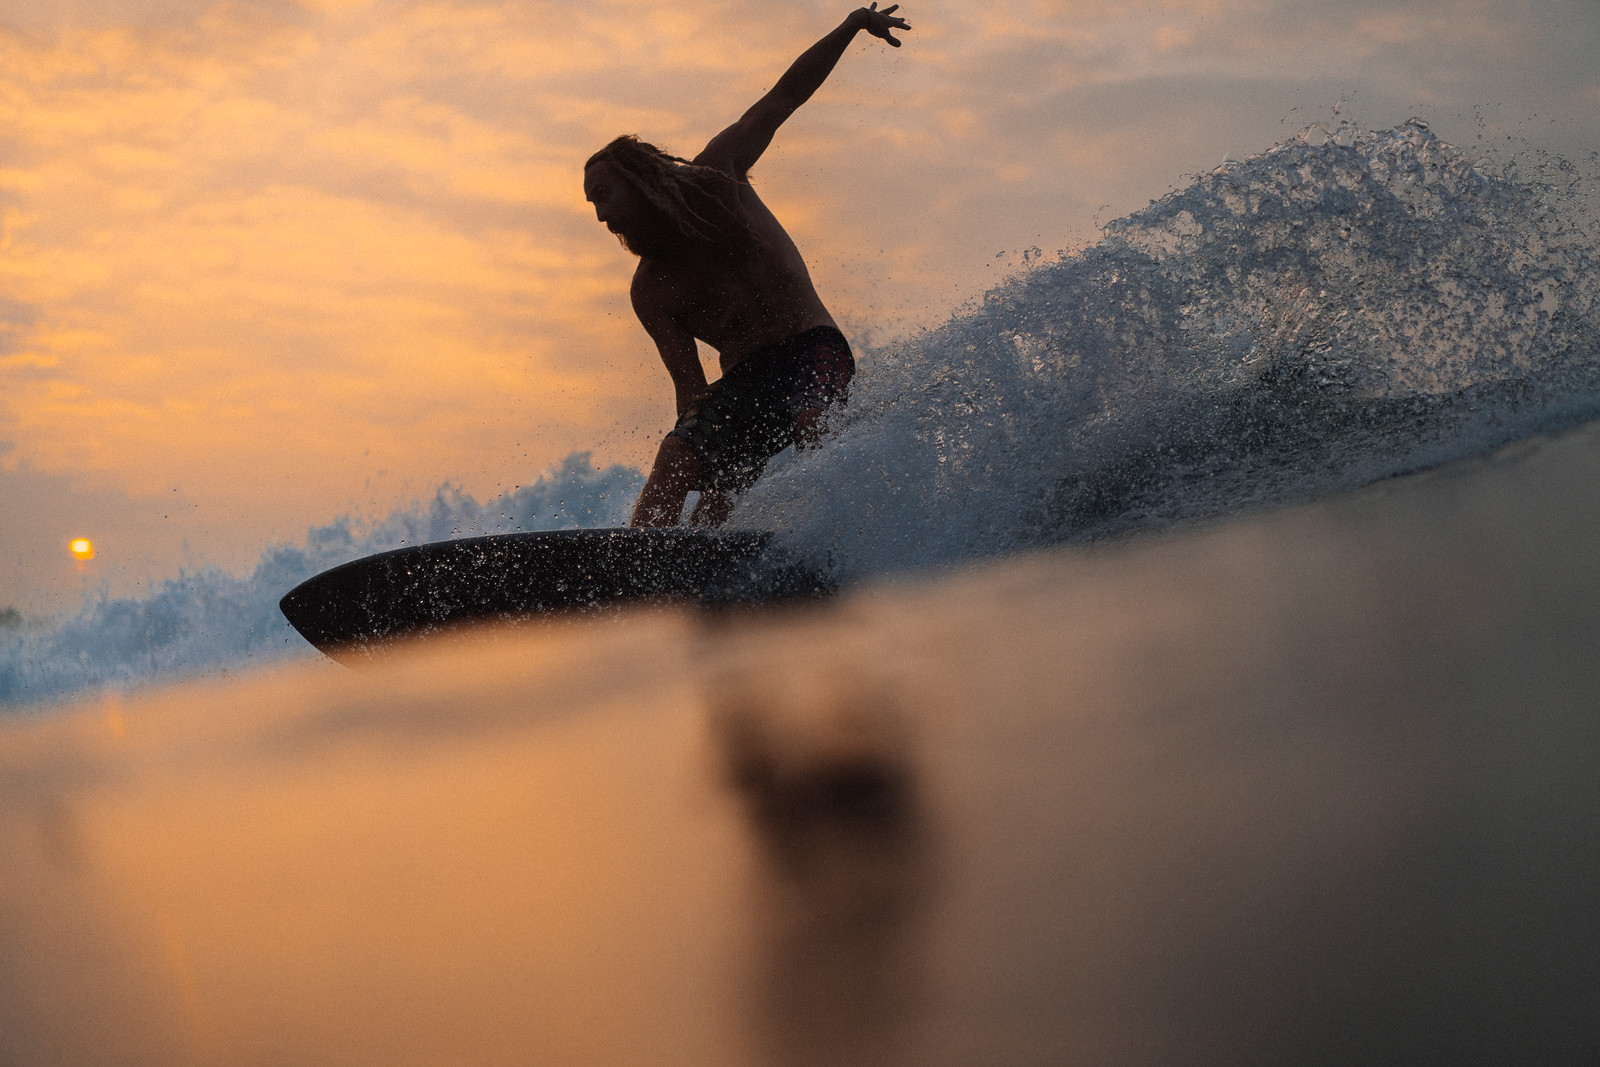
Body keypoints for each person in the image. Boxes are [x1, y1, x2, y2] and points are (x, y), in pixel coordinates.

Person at [583, 4, 912, 527]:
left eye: (603, 194)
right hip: (743, 384)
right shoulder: (651, 291)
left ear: (638, 177)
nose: (600, 216)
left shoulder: (719, 175)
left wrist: (851, 27)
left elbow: (784, 98)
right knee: (679, 462)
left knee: (812, 423)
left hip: (813, 349)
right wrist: (704, 449)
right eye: (591, 204)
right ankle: (643, 570)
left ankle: (850, 539)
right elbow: (689, 387)